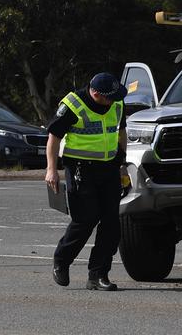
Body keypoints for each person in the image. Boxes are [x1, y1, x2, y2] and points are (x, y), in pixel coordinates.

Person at [44, 73, 127, 291]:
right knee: (85, 221)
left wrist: (123, 164)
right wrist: (51, 170)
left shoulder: (117, 102)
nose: (115, 101)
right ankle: (61, 261)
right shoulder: (73, 104)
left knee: (111, 224)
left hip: (109, 168)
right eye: (109, 97)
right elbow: (54, 138)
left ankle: (98, 275)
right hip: (81, 170)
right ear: (95, 93)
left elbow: (121, 132)